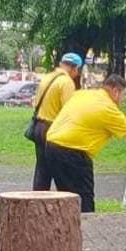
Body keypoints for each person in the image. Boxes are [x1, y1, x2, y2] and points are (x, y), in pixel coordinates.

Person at [45, 73, 126, 212]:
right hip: (73, 151)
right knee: (84, 198)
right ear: (116, 91)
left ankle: (67, 227)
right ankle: (87, 227)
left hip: (51, 144)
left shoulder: (82, 94)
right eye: (123, 95)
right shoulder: (108, 109)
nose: (123, 99)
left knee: (66, 196)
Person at [29, 53, 83, 190]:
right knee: (62, 171)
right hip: (53, 130)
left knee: (42, 171)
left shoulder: (47, 78)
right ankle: (64, 203)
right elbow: (68, 111)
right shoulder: (66, 82)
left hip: (38, 126)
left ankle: (37, 203)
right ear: (75, 68)